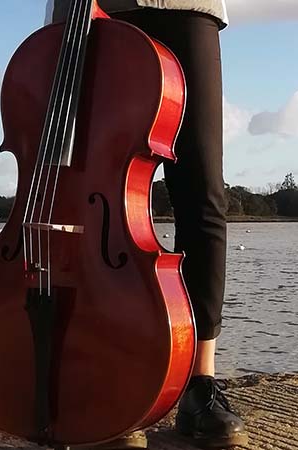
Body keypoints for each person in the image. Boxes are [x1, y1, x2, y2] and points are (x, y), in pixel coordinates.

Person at [45, 1, 248, 449]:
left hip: (184, 5)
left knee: (202, 191)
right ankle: (107, 380)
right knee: (95, 188)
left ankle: (200, 385)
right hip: (94, 10)